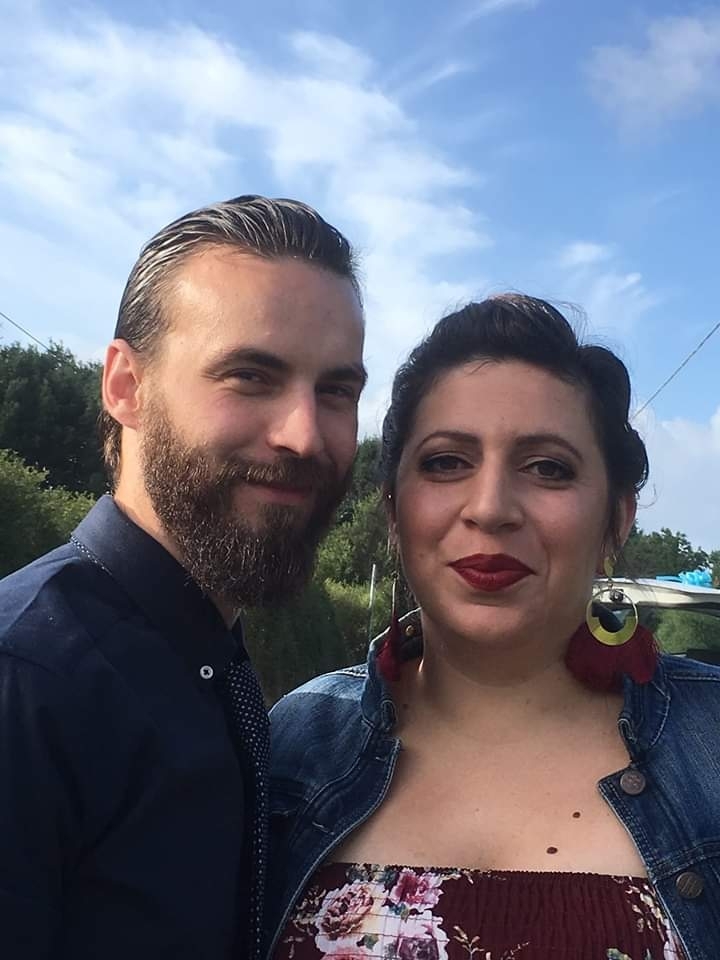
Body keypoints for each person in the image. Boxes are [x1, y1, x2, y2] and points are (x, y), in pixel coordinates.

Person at [266, 295, 720, 960]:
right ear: (393, 511)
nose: (490, 507)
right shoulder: (293, 743)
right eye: (446, 461)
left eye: (548, 468)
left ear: (616, 520)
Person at [0, 195, 366, 960]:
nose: (304, 435)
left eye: (336, 390)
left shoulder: (210, 665)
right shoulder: (25, 687)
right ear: (125, 386)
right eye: (250, 375)